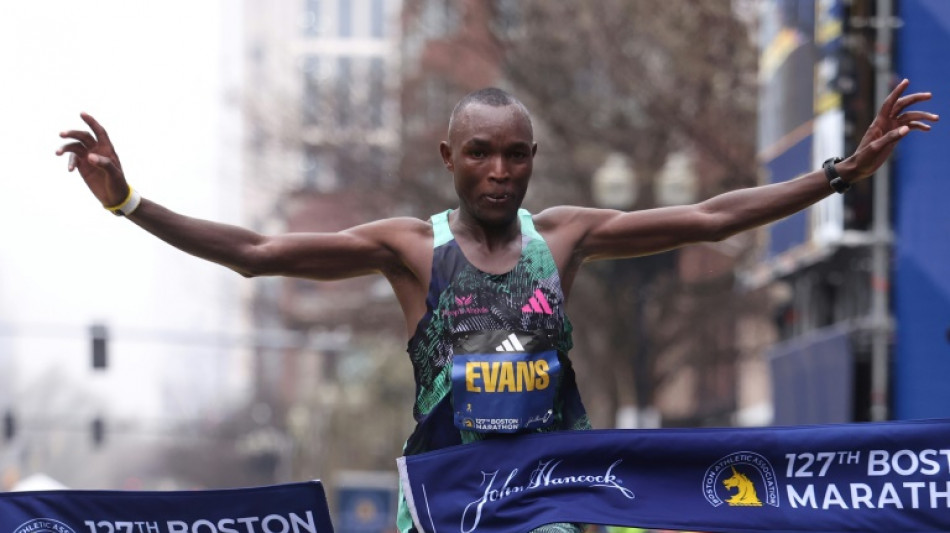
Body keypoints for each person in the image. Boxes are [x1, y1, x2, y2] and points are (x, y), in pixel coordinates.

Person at [57, 81, 935, 533]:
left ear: (534, 157)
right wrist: (132, 202)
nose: (501, 172)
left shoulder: (567, 238)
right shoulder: (411, 250)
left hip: (550, 502)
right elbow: (257, 255)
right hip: (446, 503)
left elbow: (707, 217)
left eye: (516, 155)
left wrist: (836, 175)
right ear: (450, 155)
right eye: (481, 154)